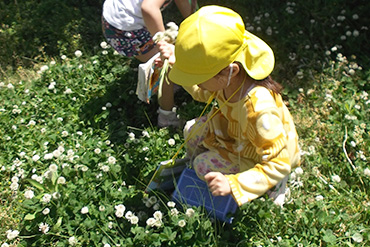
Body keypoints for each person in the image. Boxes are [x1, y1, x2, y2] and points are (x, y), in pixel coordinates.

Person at [157, 5, 301, 206]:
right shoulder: (230, 77)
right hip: (236, 133)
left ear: (230, 71)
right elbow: (202, 92)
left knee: (202, 165)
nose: (197, 82)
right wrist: (180, 61)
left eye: (200, 77)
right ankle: (208, 169)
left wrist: (234, 184)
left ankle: (273, 184)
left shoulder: (259, 110)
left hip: (261, 151)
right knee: (191, 130)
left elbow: (280, 162)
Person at [102, 0, 196, 127]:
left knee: (169, 58)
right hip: (124, 31)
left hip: (115, 18)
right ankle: (166, 117)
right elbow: (148, 8)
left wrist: (196, 25)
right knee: (167, 65)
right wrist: (165, 45)